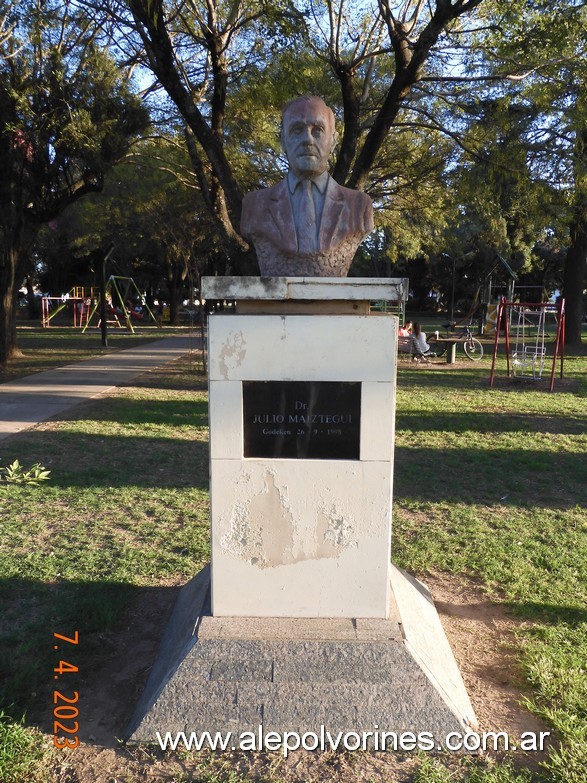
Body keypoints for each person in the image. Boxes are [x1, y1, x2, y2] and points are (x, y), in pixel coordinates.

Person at [240, 96, 373, 277]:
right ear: (283, 140)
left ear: (333, 141)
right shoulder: (254, 206)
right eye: (297, 130)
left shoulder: (359, 207)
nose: (308, 140)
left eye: (318, 130)